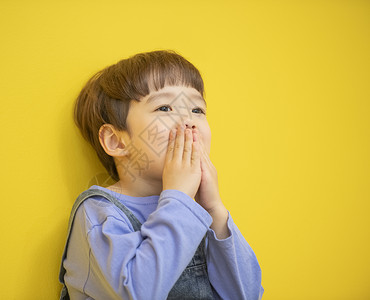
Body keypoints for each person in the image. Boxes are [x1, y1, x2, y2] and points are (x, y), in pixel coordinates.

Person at [59, 50, 264, 299]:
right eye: (165, 107)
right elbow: (136, 292)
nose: (189, 121)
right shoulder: (99, 212)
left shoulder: (198, 210)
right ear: (116, 141)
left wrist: (214, 210)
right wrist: (178, 197)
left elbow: (247, 294)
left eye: (198, 110)